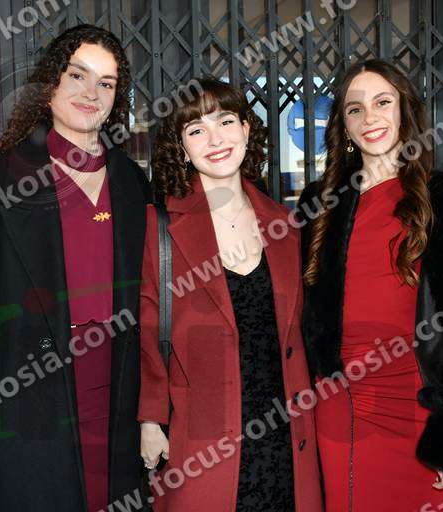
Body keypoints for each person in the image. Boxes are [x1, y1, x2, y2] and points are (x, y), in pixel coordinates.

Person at [0, 24, 151, 511]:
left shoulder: (133, 182)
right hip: (24, 393)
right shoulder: (0, 180)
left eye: (106, 83)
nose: (91, 93)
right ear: (50, 84)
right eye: (77, 75)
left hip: (119, 392)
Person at [298, 59, 443, 511]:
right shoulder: (319, 205)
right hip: (340, 406)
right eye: (355, 109)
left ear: (404, 110)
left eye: (382, 102)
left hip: (421, 409)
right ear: (343, 126)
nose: (369, 117)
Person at [138, 78, 323, 512]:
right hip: (201, 439)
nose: (215, 139)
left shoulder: (287, 226)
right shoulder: (158, 226)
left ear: (245, 129)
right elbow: (146, 331)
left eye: (225, 121)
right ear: (182, 148)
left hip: (286, 440)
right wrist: (150, 419)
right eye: (196, 129)